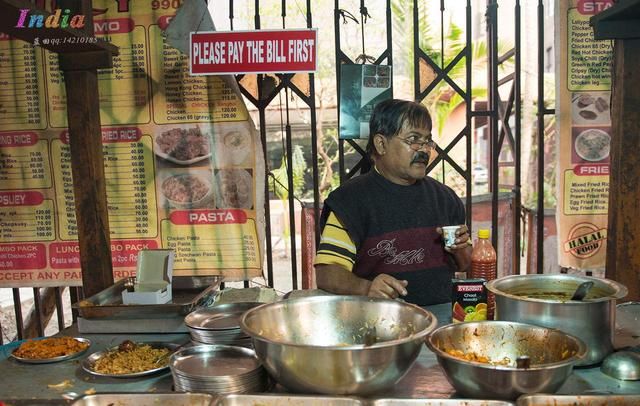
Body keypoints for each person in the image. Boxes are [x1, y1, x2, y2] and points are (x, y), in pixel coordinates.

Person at [314, 99, 472, 308]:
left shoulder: (445, 198)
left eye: (427, 141)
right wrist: (366, 288)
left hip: (440, 320)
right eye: (414, 139)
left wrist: (460, 249)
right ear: (381, 144)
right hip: (378, 322)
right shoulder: (350, 201)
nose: (424, 150)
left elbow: (464, 262)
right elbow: (327, 274)